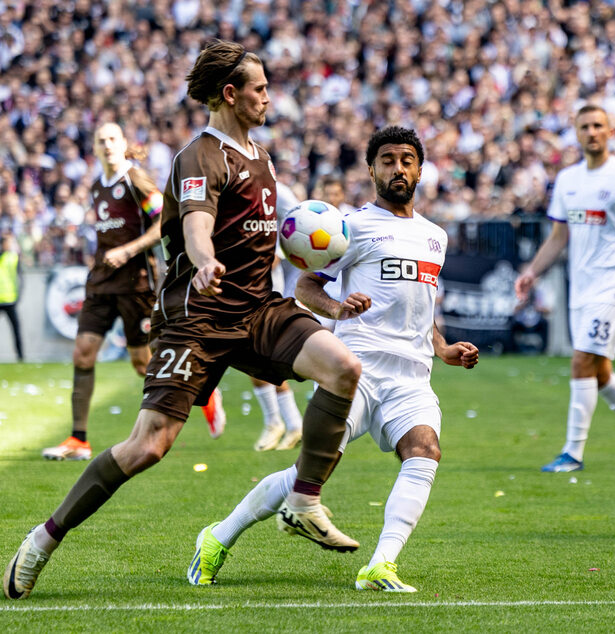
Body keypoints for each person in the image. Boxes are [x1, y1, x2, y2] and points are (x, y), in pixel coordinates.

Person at [4, 39, 361, 601]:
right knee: (148, 446)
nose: (269, 97)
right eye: (260, 88)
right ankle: (43, 539)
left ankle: (303, 500)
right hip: (196, 316)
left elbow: (281, 233)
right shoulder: (199, 156)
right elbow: (197, 225)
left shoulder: (262, 158)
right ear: (230, 94)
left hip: (258, 308)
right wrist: (203, 261)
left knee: (343, 368)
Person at [187, 126, 478, 593]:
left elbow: (423, 307)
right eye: (386, 160)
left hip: (412, 375)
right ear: (371, 169)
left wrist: (443, 349)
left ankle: (381, 565)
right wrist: (338, 309)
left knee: (424, 452)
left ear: (420, 170)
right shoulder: (352, 226)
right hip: (357, 368)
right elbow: (305, 287)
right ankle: (217, 536)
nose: (397, 168)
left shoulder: (434, 237)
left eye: (406, 160)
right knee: (310, 473)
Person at [514, 104, 615, 473]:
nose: (592, 132)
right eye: (585, 126)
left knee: (580, 361)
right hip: (581, 290)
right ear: (576, 132)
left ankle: (572, 453)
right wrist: (533, 272)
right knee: (599, 373)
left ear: (611, 132)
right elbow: (559, 236)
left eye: (598, 126)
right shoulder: (568, 180)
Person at [41, 123, 167, 460]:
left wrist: (128, 250)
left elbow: (164, 222)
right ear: (94, 149)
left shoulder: (135, 180)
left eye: (113, 139)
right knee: (82, 353)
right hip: (100, 282)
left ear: (123, 143)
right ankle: (78, 440)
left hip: (135, 283)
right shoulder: (97, 187)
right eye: (101, 141)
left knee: (142, 363)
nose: (107, 145)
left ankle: (185, 405)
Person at [250, 181, 305, 452]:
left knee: (261, 358)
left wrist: (278, 253)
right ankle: (287, 423)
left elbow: (299, 220)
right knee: (254, 358)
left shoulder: (276, 189)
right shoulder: (224, 184)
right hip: (234, 287)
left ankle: (283, 422)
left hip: (264, 288)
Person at [0, 232, 23, 361]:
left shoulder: (13, 257)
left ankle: (20, 356)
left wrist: (18, 296)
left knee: (16, 330)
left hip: (10, 300)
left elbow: (20, 278)